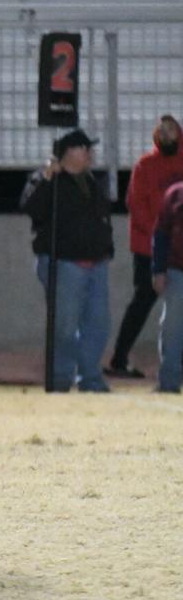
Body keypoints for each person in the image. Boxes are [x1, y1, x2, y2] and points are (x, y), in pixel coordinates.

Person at [19, 130, 113, 393]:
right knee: (64, 326)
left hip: (96, 262)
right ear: (69, 152)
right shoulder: (47, 179)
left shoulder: (91, 181)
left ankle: (90, 378)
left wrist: (107, 248)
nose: (90, 153)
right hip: (64, 264)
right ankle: (60, 379)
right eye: (84, 148)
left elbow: (101, 219)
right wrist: (47, 178)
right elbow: (31, 208)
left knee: (98, 324)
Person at [107, 115, 183, 378]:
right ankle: (119, 359)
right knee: (142, 302)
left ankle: (174, 364)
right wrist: (161, 236)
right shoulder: (145, 165)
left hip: (180, 251)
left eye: (172, 131)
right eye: (163, 131)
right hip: (148, 249)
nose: (168, 136)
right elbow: (136, 207)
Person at [151, 181, 183, 393]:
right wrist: (158, 270)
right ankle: (169, 382)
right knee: (172, 328)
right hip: (177, 270)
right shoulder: (175, 193)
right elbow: (161, 234)